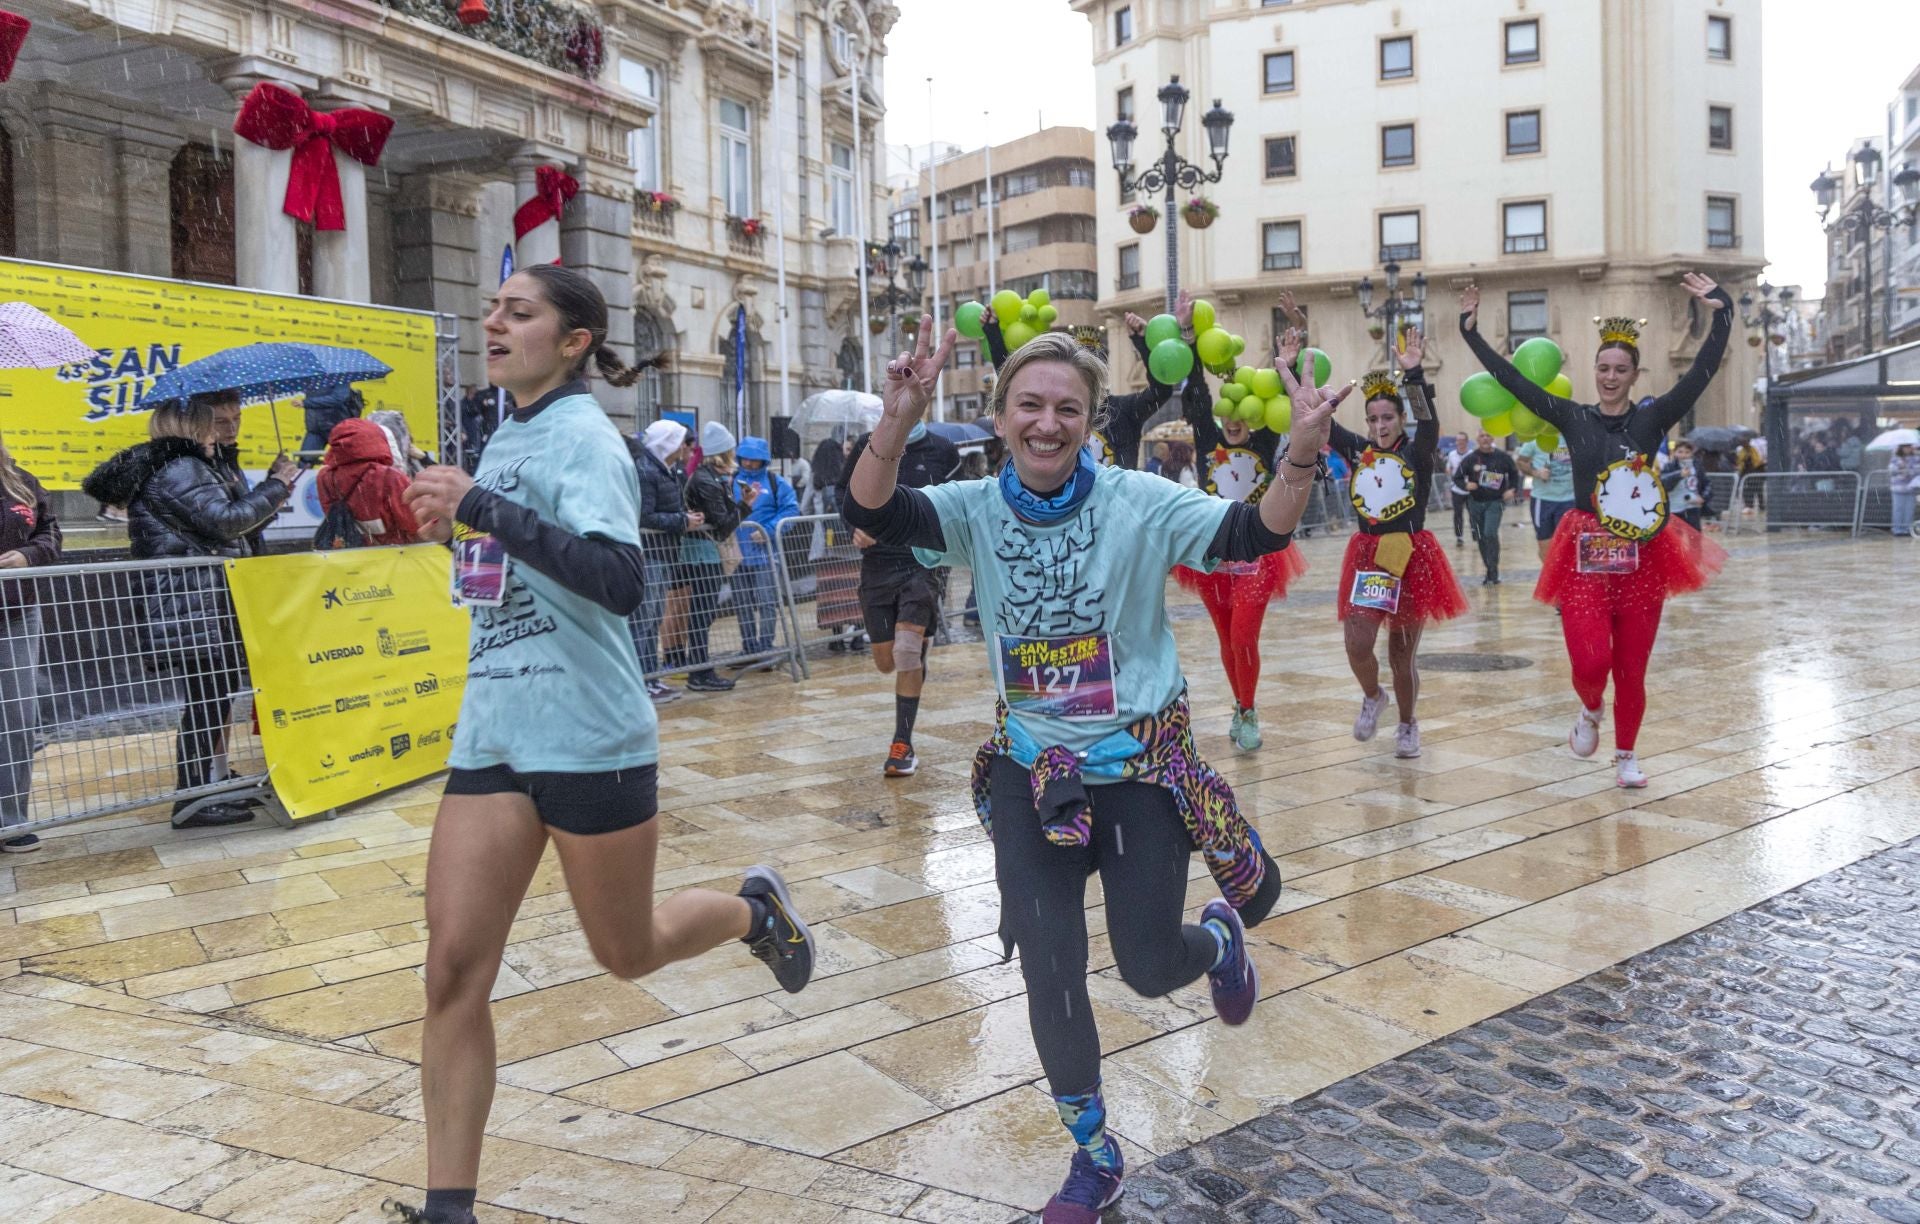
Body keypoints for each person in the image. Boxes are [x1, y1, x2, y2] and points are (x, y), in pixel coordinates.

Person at [845, 321, 1335, 1224]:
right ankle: (1094, 1153)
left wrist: (1296, 456)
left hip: (1138, 770)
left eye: (1065, 407)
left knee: (1149, 968)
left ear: (1090, 419)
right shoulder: (968, 510)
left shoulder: (1139, 501)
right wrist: (897, 420)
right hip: (1032, 773)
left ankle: (1218, 942)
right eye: (1028, 405)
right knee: (1051, 968)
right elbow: (872, 511)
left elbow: (1250, 532)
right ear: (999, 419)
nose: (1046, 422)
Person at [384, 265, 815, 1224]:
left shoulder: (586, 436)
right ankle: (448, 1209)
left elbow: (619, 581)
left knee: (625, 951)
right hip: (495, 732)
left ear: (573, 339)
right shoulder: (505, 434)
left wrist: (483, 510)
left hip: (589, 737)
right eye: (494, 309)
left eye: (519, 312)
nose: (493, 322)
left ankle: (754, 912)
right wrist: (454, 528)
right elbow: (514, 568)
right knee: (453, 968)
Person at [1459, 274, 1730, 788]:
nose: (1610, 376)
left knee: (1631, 665)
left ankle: (1626, 753)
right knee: (1591, 656)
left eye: (1620, 369)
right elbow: (1513, 382)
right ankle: (1589, 707)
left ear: (1633, 374)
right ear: (1595, 371)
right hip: (1583, 550)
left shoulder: (1652, 420)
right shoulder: (1572, 417)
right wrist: (1471, 333)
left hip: (1642, 551)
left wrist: (1723, 312)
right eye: (1603, 368)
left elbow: (1702, 372)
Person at [82, 395, 296, 829]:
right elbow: (223, 522)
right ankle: (193, 798)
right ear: (195, 427)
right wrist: (275, 486)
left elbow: (229, 525)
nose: (223, 431)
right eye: (215, 424)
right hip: (191, 603)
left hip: (199, 602)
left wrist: (262, 490)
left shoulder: (188, 465)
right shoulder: (180, 468)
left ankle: (209, 782)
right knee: (206, 701)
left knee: (213, 697)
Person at [1324, 331, 1467, 760]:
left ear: (1399, 420)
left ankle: (1407, 723)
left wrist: (1414, 373)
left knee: (1402, 657)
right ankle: (1373, 696)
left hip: (1409, 558)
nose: (1380, 426)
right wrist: (1296, 373)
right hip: (1367, 559)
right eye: (1373, 419)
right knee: (1356, 642)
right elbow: (1323, 423)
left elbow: (1429, 424)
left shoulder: (1418, 452)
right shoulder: (1359, 451)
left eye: (1387, 418)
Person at [1175, 309, 1310, 752]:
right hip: (1212, 552)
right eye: (1226, 413)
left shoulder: (1264, 440)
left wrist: (1286, 363)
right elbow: (1195, 393)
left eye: (1241, 413)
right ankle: (1238, 701)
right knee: (1225, 639)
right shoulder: (1206, 439)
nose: (1233, 421)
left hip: (1255, 554)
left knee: (1244, 636)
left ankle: (1249, 709)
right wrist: (1191, 338)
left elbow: (1289, 405)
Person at [837, 415, 962, 777]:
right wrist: (855, 526)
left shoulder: (942, 449)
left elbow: (959, 500)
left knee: (906, 654)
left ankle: (902, 745)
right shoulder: (868, 444)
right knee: (885, 661)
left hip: (924, 560)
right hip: (877, 562)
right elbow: (843, 492)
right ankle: (918, 638)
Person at [982, 297, 1180, 469]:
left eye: (1069, 409)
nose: (1049, 425)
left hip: (1110, 508)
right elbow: (1015, 383)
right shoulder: (1052, 407)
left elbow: (1161, 391)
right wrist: (993, 333)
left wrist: (1141, 342)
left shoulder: (1125, 409)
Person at [0, 436, 61, 853]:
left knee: (18, 717)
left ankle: (10, 820)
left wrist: (29, 555)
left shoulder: (20, 481)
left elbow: (51, 532)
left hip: (18, 613)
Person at [629, 420, 699, 703]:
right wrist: (682, 521)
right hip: (651, 554)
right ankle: (639, 681)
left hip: (664, 553)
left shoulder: (665, 470)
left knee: (653, 618)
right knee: (643, 621)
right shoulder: (647, 471)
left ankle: (651, 678)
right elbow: (643, 516)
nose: (686, 448)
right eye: (681, 441)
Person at [679, 422, 745, 693]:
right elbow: (723, 523)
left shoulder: (712, 477)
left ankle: (701, 668)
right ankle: (700, 670)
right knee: (702, 613)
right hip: (703, 554)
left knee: (703, 613)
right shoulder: (705, 480)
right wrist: (746, 506)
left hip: (706, 553)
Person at [730, 436, 799, 658]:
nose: (749, 464)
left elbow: (790, 511)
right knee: (742, 604)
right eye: (745, 459)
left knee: (767, 601)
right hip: (736, 553)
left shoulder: (776, 482)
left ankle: (766, 646)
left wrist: (767, 530)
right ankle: (749, 647)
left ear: (763, 460)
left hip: (766, 554)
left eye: (754, 460)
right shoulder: (729, 481)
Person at [315, 418, 420, 547]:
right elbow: (412, 523)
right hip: (395, 555)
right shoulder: (389, 476)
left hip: (351, 553)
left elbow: (331, 513)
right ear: (376, 439)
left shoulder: (325, 476)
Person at [208, 397, 271, 556]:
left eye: (237, 418)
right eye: (221, 421)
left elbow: (245, 509)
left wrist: (274, 480)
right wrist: (276, 486)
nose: (232, 428)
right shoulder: (206, 463)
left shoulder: (227, 457)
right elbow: (234, 524)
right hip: (228, 563)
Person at [1456, 430, 1519, 584]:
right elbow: (1457, 477)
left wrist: (1512, 489)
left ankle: (1493, 570)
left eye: (1488, 435)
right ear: (1477, 439)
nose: (1485, 438)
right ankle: (1489, 568)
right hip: (1475, 502)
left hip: (1495, 501)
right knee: (1480, 537)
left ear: (1492, 438)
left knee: (1490, 533)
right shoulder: (1471, 458)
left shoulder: (1502, 457)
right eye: (1482, 436)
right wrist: (1465, 485)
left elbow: (1514, 474)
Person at [1516, 428, 1575, 563]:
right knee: (1545, 547)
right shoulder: (1535, 439)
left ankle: (1562, 578)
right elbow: (1520, 462)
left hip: (1569, 500)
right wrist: (1536, 473)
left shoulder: (1573, 437)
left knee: (1568, 545)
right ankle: (1550, 578)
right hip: (1543, 500)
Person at [1661, 440, 1712, 532]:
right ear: (1675, 452)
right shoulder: (1669, 466)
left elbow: (1707, 483)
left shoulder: (1697, 466)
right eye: (1680, 452)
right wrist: (1678, 475)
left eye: (1687, 452)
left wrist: (1704, 497)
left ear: (1692, 453)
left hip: (1692, 506)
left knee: (1694, 537)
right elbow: (1663, 483)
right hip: (1674, 508)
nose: (1683, 455)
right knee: (1676, 539)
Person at [299, 385, 362, 459]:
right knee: (305, 460)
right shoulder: (312, 380)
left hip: (337, 428)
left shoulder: (339, 378)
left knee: (346, 459)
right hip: (315, 429)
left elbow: (339, 398)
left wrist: (306, 403)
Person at [1445, 431, 1472, 545]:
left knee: (1473, 513)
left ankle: (1476, 533)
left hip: (1470, 488)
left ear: (1466, 441)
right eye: (1458, 440)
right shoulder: (1451, 454)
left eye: (1462, 440)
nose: (1460, 442)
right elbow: (1448, 468)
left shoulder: (1472, 454)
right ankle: (1459, 537)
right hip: (1456, 488)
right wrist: (1449, 472)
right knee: (1458, 514)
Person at [1889, 442, 1920, 538]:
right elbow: (1891, 470)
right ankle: (1897, 529)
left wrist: (1908, 470)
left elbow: (1917, 470)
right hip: (1897, 488)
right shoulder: (1895, 458)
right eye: (1905, 447)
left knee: (1909, 510)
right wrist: (1899, 467)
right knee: (1898, 509)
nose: (1908, 449)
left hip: (1911, 488)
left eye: (1909, 447)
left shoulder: (1916, 458)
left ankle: (1907, 529)